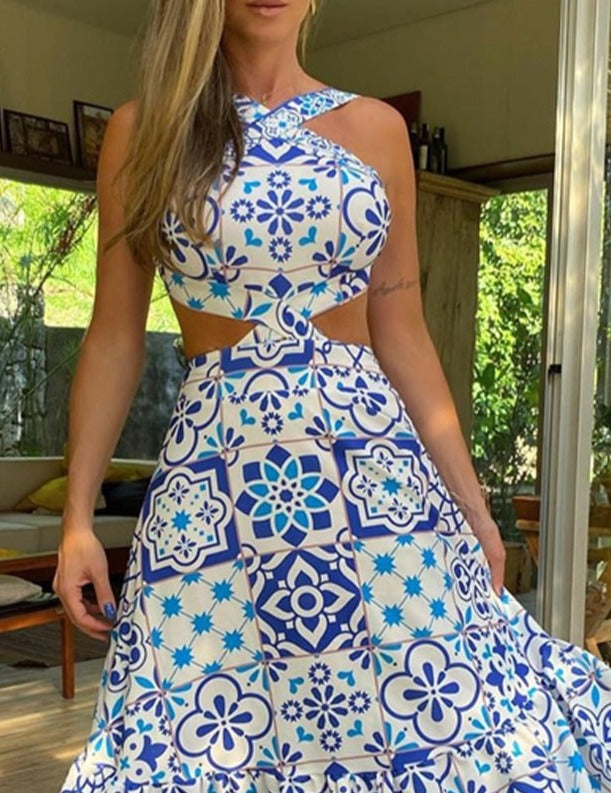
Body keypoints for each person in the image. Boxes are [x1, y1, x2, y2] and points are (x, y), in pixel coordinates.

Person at [54, 1, 611, 791]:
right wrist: (77, 516)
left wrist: (473, 506)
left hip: (374, 485)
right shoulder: (146, 131)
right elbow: (114, 335)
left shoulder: (377, 129)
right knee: (203, 734)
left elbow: (402, 332)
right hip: (216, 495)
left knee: (421, 713)